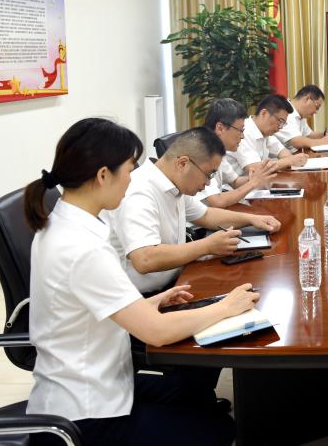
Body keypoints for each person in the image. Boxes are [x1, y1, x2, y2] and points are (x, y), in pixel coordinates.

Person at [25, 117, 255, 444]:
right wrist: (227, 307)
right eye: (129, 170)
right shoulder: (82, 247)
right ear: (103, 175)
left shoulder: (64, 224)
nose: (132, 179)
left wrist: (150, 302)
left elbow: (88, 305)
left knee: (199, 399)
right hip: (85, 413)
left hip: (103, 382)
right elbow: (156, 332)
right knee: (220, 430)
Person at [107, 126, 281, 296]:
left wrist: (252, 219)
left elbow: (206, 215)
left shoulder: (173, 183)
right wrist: (207, 246)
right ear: (183, 163)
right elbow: (144, 259)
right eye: (209, 174)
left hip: (176, 282)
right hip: (144, 299)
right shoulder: (139, 191)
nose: (208, 183)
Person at [201, 97, 277, 209]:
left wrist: (255, 177)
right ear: (220, 128)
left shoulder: (217, 149)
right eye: (240, 130)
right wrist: (253, 183)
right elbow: (217, 201)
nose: (242, 136)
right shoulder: (202, 152)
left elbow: (235, 181)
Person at [230, 94, 310, 173]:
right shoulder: (244, 131)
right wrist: (289, 161)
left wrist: (290, 159)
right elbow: (254, 169)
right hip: (241, 181)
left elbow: (283, 151)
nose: (281, 127)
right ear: (264, 113)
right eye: (280, 121)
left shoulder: (265, 132)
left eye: (283, 123)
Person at [275, 84, 328, 152]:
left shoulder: (300, 114)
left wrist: (325, 134)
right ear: (307, 99)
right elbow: (297, 141)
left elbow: (308, 135)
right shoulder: (285, 111)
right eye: (317, 107)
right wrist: (324, 141)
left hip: (295, 154)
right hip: (282, 157)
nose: (316, 112)